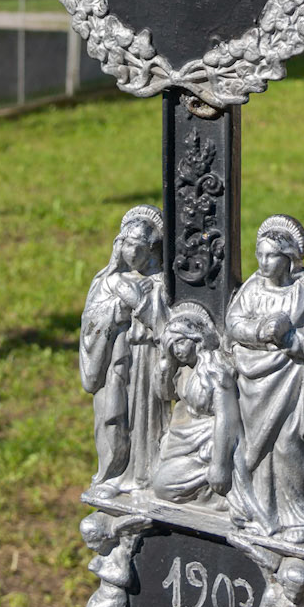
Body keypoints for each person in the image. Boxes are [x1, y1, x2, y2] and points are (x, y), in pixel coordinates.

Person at [225, 215, 304, 546]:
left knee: (288, 446)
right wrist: (261, 331)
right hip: (255, 384)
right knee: (252, 450)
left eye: (271, 255)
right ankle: (254, 509)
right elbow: (233, 323)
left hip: (291, 383)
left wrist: (292, 339)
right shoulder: (252, 287)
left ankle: (293, 515)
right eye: (259, 254)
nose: (263, 262)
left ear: (289, 258)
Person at [78, 204, 168, 494]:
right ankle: (112, 472)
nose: (129, 252)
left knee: (144, 421)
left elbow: (163, 322)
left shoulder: (161, 282)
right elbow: (91, 320)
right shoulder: (109, 278)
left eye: (136, 245)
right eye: (125, 243)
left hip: (145, 360)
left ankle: (140, 477)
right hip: (113, 359)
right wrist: (116, 305)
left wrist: (136, 301)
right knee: (112, 416)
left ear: (152, 249)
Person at [152, 303, 239, 504]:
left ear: (196, 340)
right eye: (172, 346)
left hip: (209, 440)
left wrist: (219, 465)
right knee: (161, 482)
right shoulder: (183, 369)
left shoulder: (214, 371)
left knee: (162, 485)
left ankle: (218, 496)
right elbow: (165, 394)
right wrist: (166, 364)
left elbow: (226, 416)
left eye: (181, 342)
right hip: (185, 437)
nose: (177, 350)